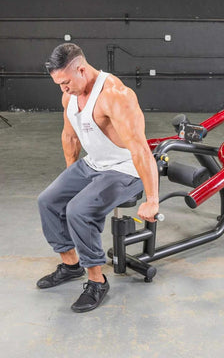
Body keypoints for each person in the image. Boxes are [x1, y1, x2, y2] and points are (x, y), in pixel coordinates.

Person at [37, 43, 159, 312]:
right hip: (93, 164)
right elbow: (70, 135)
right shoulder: (69, 95)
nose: (63, 89)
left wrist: (152, 199)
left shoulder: (115, 95)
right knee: (48, 201)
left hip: (125, 168)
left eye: (66, 82)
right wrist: (71, 175)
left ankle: (97, 280)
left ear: (82, 69)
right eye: (58, 84)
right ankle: (71, 265)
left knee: (78, 210)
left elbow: (139, 148)